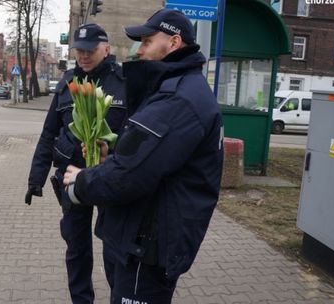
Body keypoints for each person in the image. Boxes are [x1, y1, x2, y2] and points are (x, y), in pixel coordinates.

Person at [63, 9, 224, 303]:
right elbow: (147, 159)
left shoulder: (178, 99)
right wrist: (107, 157)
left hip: (148, 246)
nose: (141, 49)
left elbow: (130, 175)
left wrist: (82, 182)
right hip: (142, 237)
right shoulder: (176, 89)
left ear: (174, 43)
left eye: (148, 41)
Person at [25, 23, 127, 304]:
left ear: (106, 48)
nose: (84, 55)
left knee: (114, 248)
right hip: (71, 178)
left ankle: (119, 297)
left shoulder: (123, 82)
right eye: (79, 50)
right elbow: (48, 133)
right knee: (76, 246)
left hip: (110, 176)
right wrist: (36, 178)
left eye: (90, 50)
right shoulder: (67, 84)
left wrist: (115, 153)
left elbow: (135, 135)